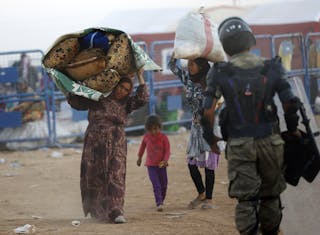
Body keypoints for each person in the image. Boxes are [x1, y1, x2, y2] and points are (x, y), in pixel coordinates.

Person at [201, 17, 301, 235]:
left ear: (225, 46)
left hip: (239, 145)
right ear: (251, 40)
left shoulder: (219, 72)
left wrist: (212, 141)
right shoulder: (272, 67)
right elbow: (290, 103)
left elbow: (207, 111)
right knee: (270, 196)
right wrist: (292, 130)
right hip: (270, 142)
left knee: (246, 200)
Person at [67, 68, 148, 224]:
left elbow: (143, 98)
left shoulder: (126, 104)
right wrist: (70, 87)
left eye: (126, 90)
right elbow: (77, 103)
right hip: (95, 142)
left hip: (117, 142)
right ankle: (97, 210)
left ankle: (116, 210)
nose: (122, 91)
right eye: (120, 87)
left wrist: (139, 75)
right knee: (94, 174)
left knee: (115, 174)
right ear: (115, 85)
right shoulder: (99, 97)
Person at [168, 54, 221, 209]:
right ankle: (201, 193)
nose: (189, 67)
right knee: (191, 162)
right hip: (195, 128)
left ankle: (209, 199)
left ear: (201, 66)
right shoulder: (188, 79)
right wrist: (175, 54)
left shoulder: (211, 82)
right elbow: (173, 67)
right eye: (188, 64)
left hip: (209, 126)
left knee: (209, 163)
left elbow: (216, 103)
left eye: (192, 64)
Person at [136, 114, 170, 212]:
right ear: (148, 129)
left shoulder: (164, 138)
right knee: (156, 184)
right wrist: (139, 158)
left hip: (162, 166)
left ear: (159, 127)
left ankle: (161, 200)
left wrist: (165, 160)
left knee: (164, 185)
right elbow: (142, 147)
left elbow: (167, 151)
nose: (154, 131)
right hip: (151, 166)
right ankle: (159, 202)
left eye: (156, 129)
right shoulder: (146, 137)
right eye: (151, 130)